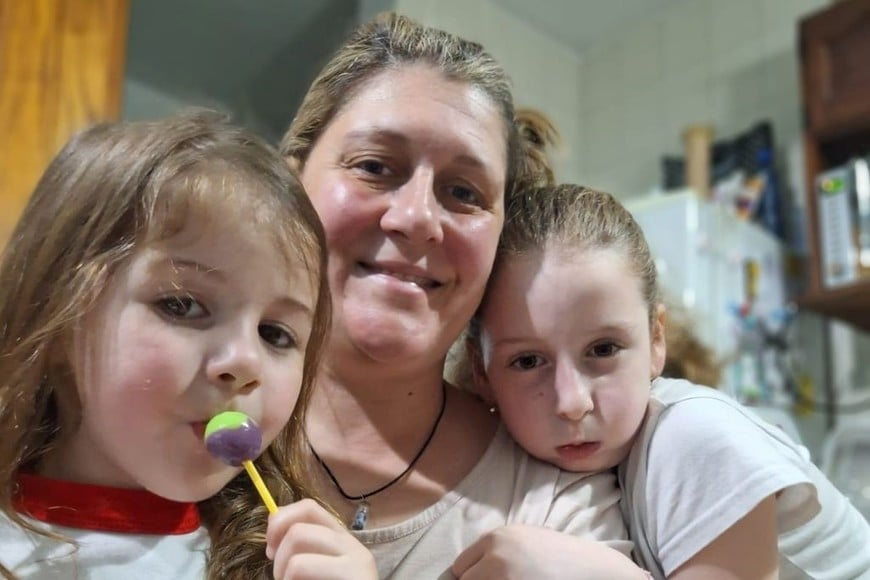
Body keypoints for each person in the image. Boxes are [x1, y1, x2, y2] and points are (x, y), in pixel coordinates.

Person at [279, 11, 642, 580]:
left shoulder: (553, 501)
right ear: (290, 182)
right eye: (375, 166)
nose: (417, 218)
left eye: (464, 193)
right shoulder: (183, 422)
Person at [0, 112, 375, 579]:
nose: (244, 361)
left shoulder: (278, 567)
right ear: (60, 318)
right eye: (181, 305)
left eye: (276, 334)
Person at [463, 182, 870, 579]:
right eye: (528, 360)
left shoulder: (693, 438)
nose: (572, 402)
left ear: (656, 340)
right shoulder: (559, 466)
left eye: (603, 349)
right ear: (482, 373)